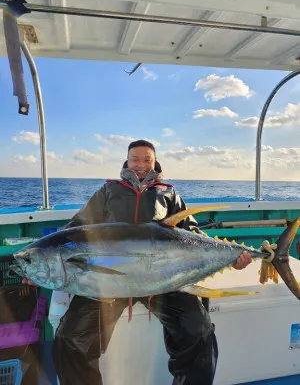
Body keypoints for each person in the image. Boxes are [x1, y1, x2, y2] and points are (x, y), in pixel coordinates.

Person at [24, 140, 252, 385]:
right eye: (136, 159)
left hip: (164, 281)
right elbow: (77, 229)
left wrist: (233, 257)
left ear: (155, 162)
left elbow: (193, 235)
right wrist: (40, 265)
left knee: (199, 332)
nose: (141, 165)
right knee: (71, 338)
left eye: (147, 160)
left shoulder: (169, 193)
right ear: (127, 160)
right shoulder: (107, 193)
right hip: (110, 282)